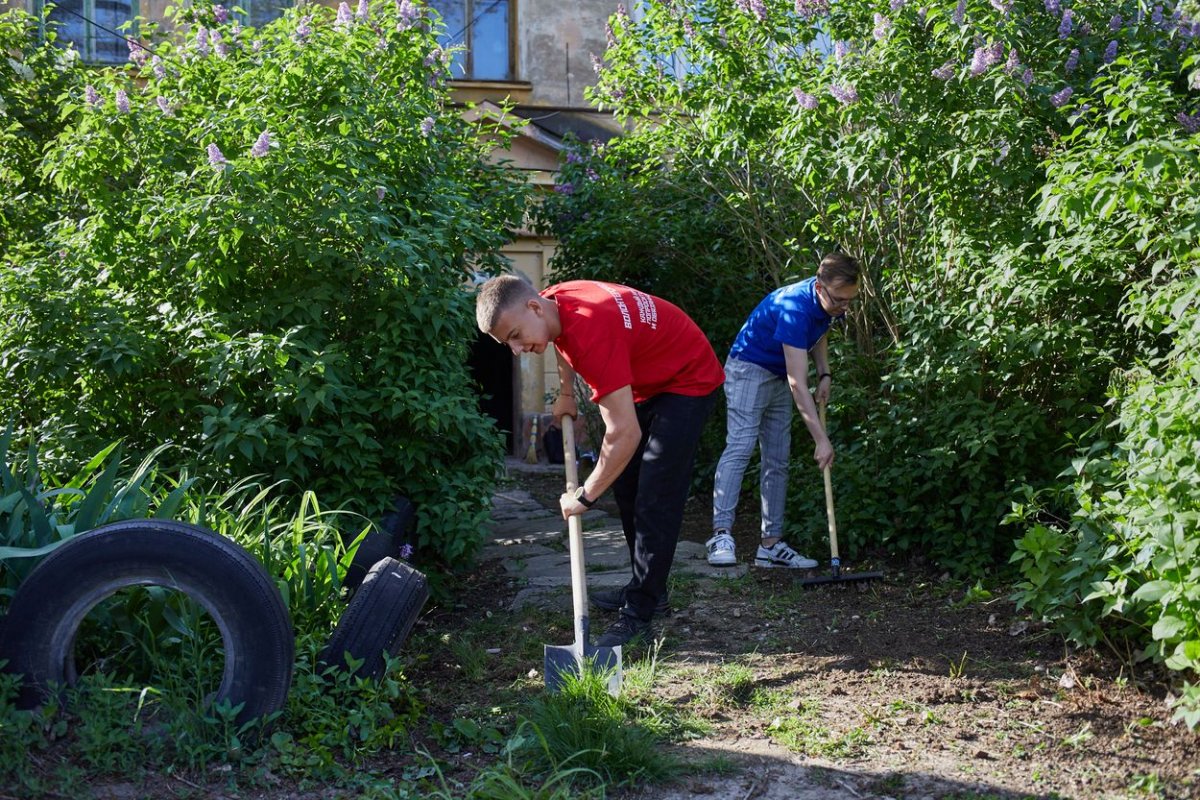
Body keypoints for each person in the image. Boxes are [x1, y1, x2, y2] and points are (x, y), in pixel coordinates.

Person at [476, 274, 723, 646]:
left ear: (532, 307)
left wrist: (585, 496)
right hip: (649, 377)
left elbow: (624, 434)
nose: (515, 349)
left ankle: (641, 611)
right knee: (625, 484)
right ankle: (648, 589)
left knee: (656, 494)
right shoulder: (553, 301)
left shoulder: (593, 334)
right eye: (506, 343)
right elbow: (558, 337)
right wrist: (565, 394)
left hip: (688, 378)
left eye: (513, 336)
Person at [707, 252, 860, 568]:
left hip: (777, 374)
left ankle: (771, 546)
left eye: (850, 300)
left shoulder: (830, 301)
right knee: (741, 446)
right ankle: (721, 535)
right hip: (749, 368)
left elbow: (820, 332)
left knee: (778, 457)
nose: (845, 306)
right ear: (819, 288)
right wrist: (821, 439)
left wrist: (825, 373)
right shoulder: (795, 308)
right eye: (840, 300)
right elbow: (796, 382)